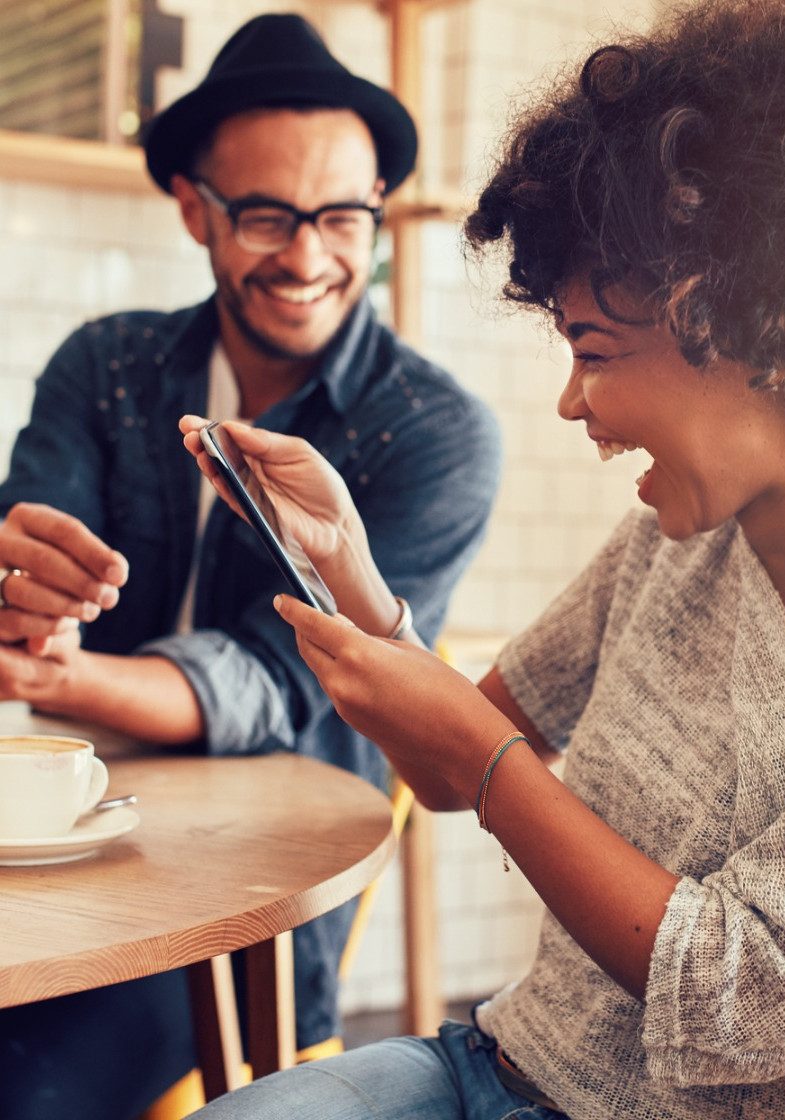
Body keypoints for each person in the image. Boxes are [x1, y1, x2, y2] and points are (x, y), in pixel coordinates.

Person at [181, 0, 785, 1117]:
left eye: (592, 351)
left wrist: (491, 758)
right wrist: (355, 578)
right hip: (494, 1071)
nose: (573, 401)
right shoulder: (677, 534)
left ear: (743, 318)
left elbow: (746, 1001)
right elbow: (446, 769)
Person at [0, 13, 501, 1120]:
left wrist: (55, 677)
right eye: (269, 215)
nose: (312, 256)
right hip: (49, 830)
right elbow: (23, 578)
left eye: (342, 216)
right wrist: (18, 594)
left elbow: (274, 683)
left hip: (249, 895)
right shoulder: (106, 365)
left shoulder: (433, 431)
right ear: (195, 208)